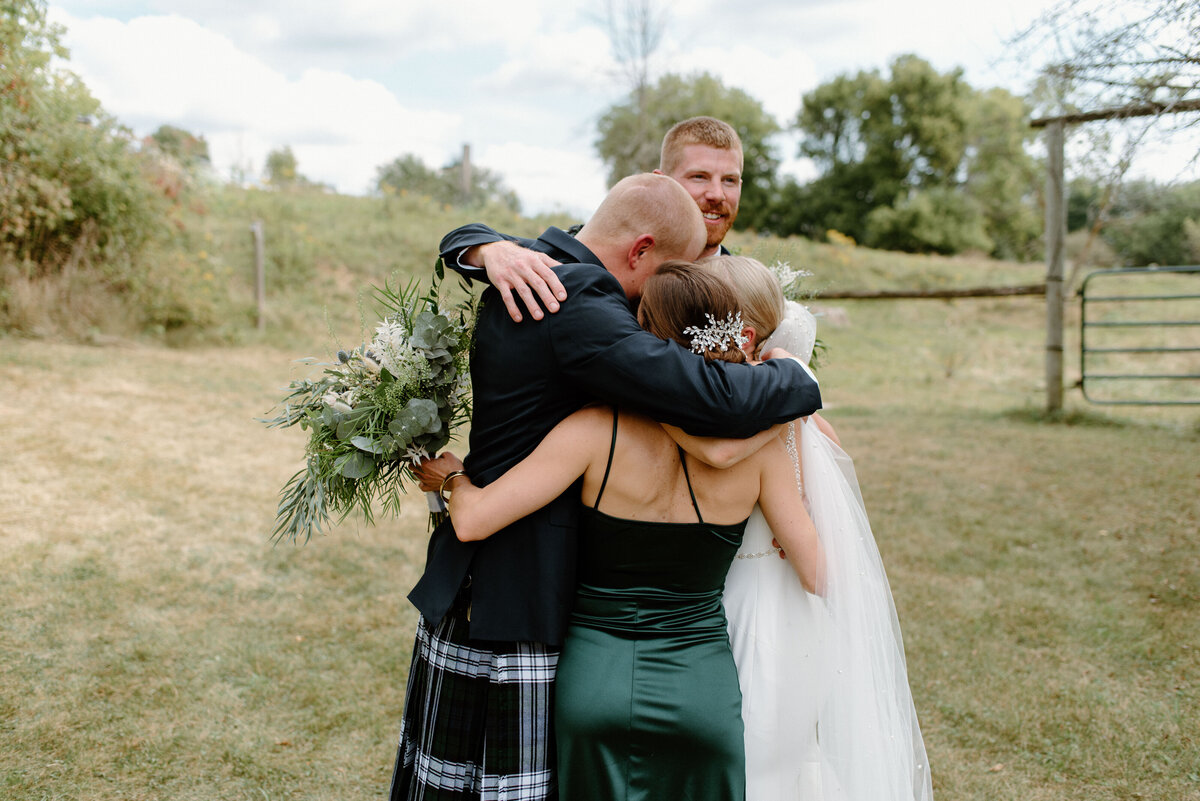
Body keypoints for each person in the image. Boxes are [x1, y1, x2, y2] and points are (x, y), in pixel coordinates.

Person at [387, 175, 823, 801]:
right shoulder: (585, 305)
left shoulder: (543, 269)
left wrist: (479, 246)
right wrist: (796, 377)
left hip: (504, 569)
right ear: (641, 251)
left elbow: (468, 239)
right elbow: (713, 402)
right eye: (670, 275)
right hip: (523, 582)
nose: (665, 300)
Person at [706, 255, 934, 801]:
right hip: (770, 607)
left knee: (756, 763)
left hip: (756, 612)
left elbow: (813, 556)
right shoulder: (806, 424)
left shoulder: (745, 426)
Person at [439, 116, 745, 324]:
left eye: (730, 180)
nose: (717, 194)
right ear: (662, 181)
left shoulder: (746, 287)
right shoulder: (593, 256)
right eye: (699, 177)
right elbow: (459, 238)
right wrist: (492, 250)